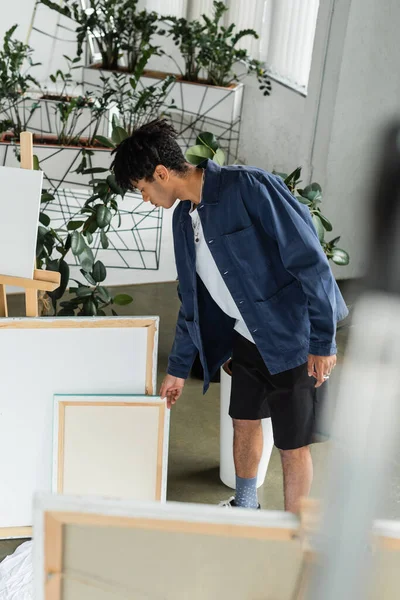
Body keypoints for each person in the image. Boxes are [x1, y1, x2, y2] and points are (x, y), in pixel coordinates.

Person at [111, 119, 348, 514]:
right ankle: (246, 506)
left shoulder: (250, 187)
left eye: (143, 190)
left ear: (161, 173)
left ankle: (293, 533)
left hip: (291, 338)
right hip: (246, 336)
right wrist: (177, 369)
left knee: (292, 445)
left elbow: (311, 262)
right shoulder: (182, 220)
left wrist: (323, 341)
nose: (148, 200)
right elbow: (192, 300)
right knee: (243, 422)